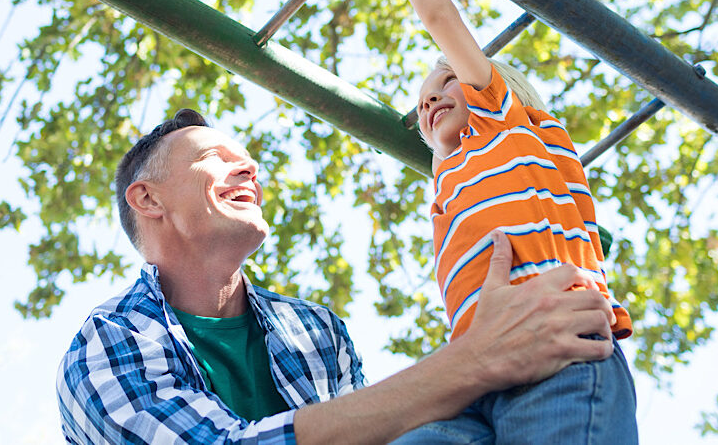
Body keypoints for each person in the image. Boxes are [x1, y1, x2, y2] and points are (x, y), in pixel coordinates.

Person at [57, 109, 618, 444]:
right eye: (214, 157)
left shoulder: (314, 328)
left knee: (553, 345)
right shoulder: (111, 341)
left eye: (248, 158)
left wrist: (506, 350)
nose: (249, 167)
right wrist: (474, 359)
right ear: (148, 198)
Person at [345, 0, 637, 442]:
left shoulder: (503, 121)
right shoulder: (448, 183)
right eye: (422, 97)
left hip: (558, 344)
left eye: (448, 78)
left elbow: (440, 19)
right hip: (477, 372)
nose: (430, 95)